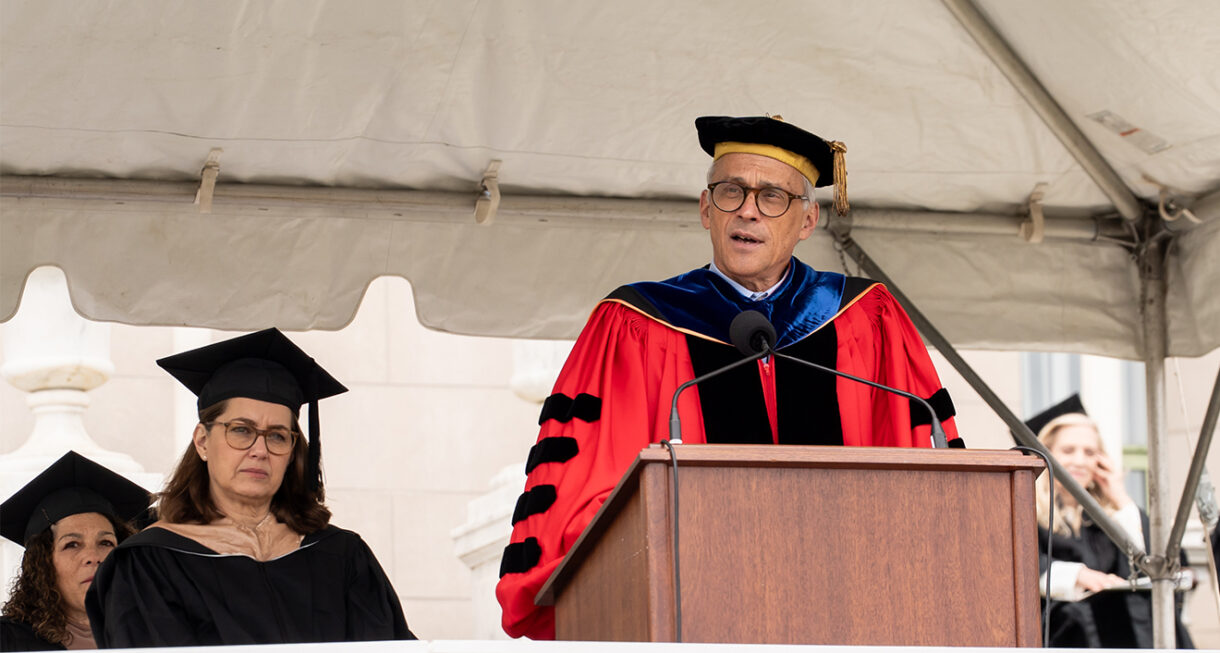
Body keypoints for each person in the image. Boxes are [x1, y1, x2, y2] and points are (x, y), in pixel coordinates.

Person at [496, 115, 962, 639]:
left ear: (806, 222)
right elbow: (588, 482)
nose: (747, 210)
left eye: (772, 197)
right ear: (704, 208)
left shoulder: (864, 316)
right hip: (691, 612)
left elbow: (920, 460)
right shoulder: (636, 321)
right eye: (731, 191)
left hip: (849, 609)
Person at [85, 328, 415, 646]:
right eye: (241, 430)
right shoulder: (148, 564)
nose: (260, 450)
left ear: (292, 452)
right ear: (202, 441)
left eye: (277, 436)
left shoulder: (342, 556)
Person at [1030, 396, 1194, 648]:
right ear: (1046, 454)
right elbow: (1017, 568)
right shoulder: (1029, 515)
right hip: (1066, 639)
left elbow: (1162, 561)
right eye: (1068, 450)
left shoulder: (1107, 518)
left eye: (1090, 452)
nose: (1080, 461)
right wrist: (1079, 575)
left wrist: (1120, 497)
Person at [1, 451, 151, 651]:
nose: (93, 557)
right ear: (42, 563)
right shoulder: (8, 641)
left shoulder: (154, 635)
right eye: (71, 544)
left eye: (106, 543)